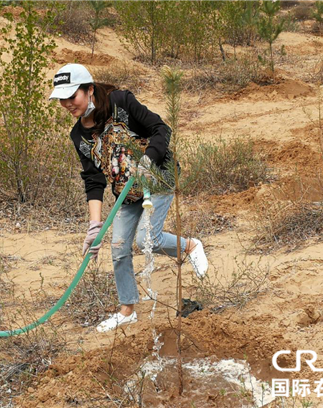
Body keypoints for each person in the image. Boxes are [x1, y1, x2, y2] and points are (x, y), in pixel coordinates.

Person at [49, 63, 208, 333]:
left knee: (147, 239)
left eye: (71, 96)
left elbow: (160, 129)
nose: (67, 104)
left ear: (89, 89)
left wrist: (148, 160)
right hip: (127, 192)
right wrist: (94, 225)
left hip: (159, 178)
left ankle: (190, 246)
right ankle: (127, 311)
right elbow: (93, 179)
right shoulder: (79, 136)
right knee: (119, 247)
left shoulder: (120, 102)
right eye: (61, 99)